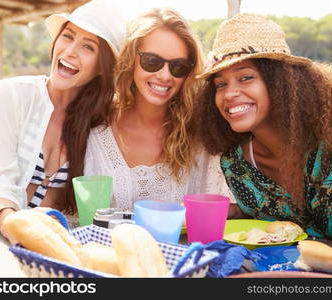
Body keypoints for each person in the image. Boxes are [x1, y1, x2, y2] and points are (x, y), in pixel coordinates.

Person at [196, 13, 332, 269]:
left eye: (245, 77)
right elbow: (283, 219)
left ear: (281, 82)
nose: (229, 93)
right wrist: (239, 211)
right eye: (220, 84)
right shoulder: (238, 166)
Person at [0, 0, 126, 236]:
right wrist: (13, 223)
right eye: (68, 36)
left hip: (54, 247)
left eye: (88, 47)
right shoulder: (12, 94)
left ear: (102, 67)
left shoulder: (101, 120)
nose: (70, 51)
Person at [84, 8, 232, 211]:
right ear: (131, 59)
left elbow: (223, 209)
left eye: (178, 67)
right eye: (152, 62)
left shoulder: (203, 134)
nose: (165, 76)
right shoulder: (95, 128)